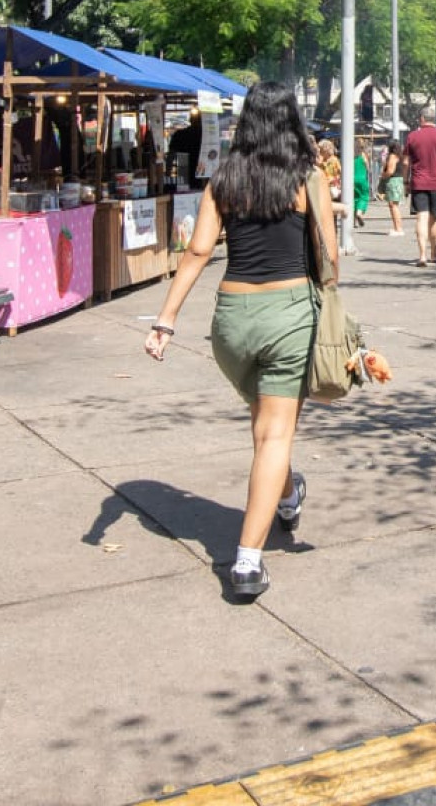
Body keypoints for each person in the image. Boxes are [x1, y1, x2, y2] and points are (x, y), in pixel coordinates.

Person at [143, 82, 322, 601]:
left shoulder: (224, 180)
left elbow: (198, 253)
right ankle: (247, 561)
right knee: (273, 435)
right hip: (289, 315)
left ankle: (288, 495)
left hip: (231, 324)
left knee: (265, 426)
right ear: (290, 122)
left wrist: (166, 321)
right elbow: (328, 262)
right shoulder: (304, 179)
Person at [403, 110, 436, 266]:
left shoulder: (412, 137)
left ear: (422, 119)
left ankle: (422, 256)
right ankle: (433, 254)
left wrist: (406, 182)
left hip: (418, 183)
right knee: (434, 220)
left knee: (421, 218)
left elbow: (406, 163)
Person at [379, 140, 407, 236]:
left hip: (393, 181)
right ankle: (398, 228)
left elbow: (390, 171)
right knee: (395, 205)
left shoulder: (392, 156)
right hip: (398, 180)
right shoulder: (400, 156)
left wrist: (383, 175)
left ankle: (398, 228)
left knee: (393, 205)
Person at [351, 142, 370, 229]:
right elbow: (367, 168)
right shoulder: (363, 156)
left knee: (354, 199)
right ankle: (359, 213)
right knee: (364, 197)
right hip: (362, 179)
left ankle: (354, 222)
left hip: (353, 180)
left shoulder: (351, 156)